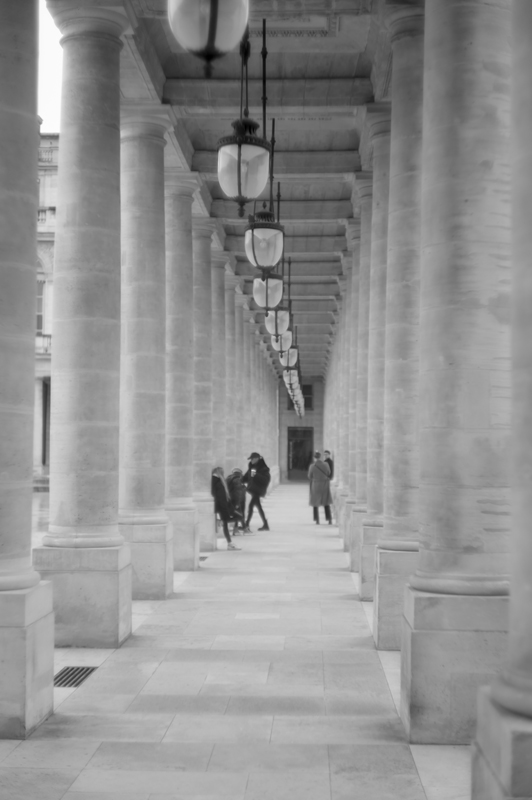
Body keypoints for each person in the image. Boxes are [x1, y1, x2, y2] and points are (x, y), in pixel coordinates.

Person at [211, 467, 241, 550]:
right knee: (225, 525)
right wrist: (225, 511)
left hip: (219, 508)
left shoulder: (216, 481)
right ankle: (230, 543)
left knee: (225, 525)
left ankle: (230, 543)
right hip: (221, 509)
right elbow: (221, 498)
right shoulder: (219, 483)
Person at [243, 452, 271, 531]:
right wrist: (240, 479)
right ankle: (265, 524)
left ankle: (246, 525)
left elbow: (265, 480)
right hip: (253, 489)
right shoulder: (251, 467)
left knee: (251, 506)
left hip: (258, 490)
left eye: (252, 459)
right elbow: (247, 477)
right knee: (259, 507)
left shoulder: (263, 468)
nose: (251, 460)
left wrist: (256, 475)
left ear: (256, 459)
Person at [308, 451, 332, 524]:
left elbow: (309, 476)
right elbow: (329, 472)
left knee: (315, 502)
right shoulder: (326, 464)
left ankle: (317, 519)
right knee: (326, 502)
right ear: (320, 457)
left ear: (314, 458)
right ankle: (329, 519)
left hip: (316, 485)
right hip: (325, 484)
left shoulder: (312, 466)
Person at [226, 468, 253, 536]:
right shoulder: (237, 480)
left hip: (232, 499)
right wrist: (237, 503)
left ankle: (236, 529)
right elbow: (237, 492)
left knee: (237, 515)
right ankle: (244, 529)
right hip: (238, 500)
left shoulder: (229, 479)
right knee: (240, 515)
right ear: (240, 474)